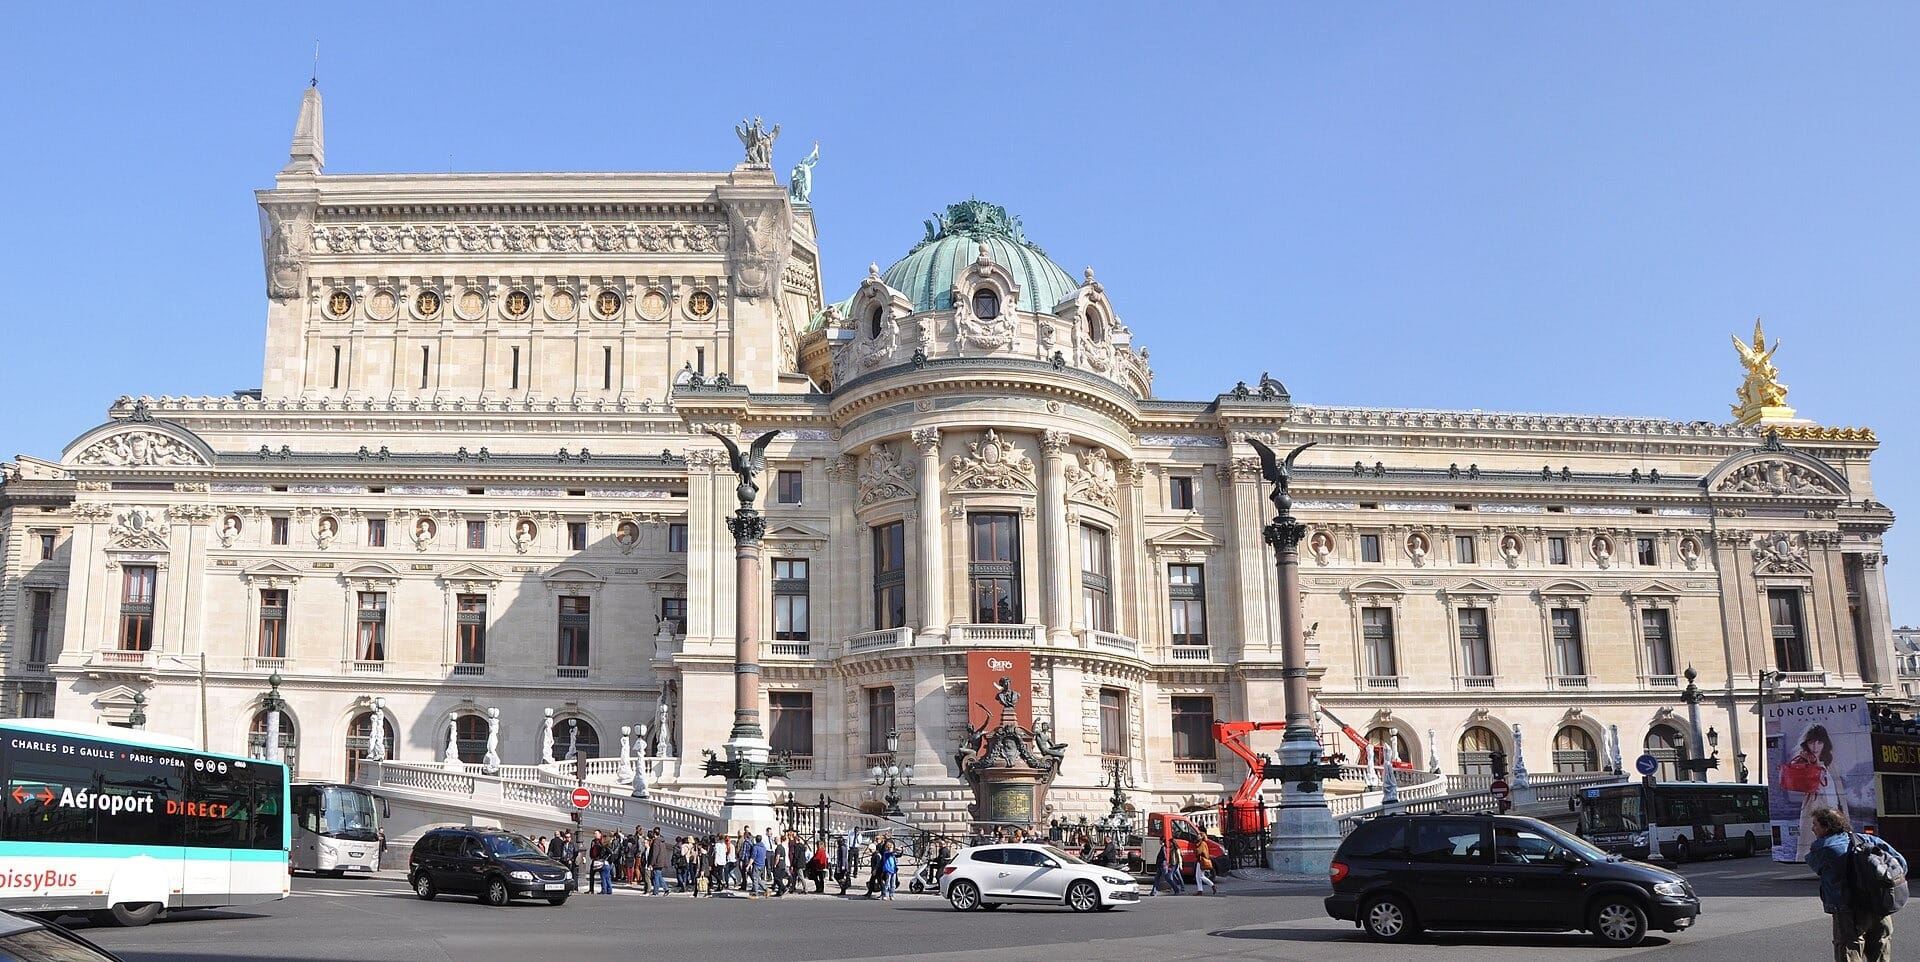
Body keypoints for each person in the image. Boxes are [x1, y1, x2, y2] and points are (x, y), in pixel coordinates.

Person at [1804, 806, 1905, 962]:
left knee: (1849, 953)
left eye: (1815, 824)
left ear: (1827, 827)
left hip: (1848, 912)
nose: (1812, 828)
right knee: (1880, 954)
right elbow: (1901, 865)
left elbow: (1813, 863)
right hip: (1879, 906)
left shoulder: (1823, 848)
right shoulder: (1868, 840)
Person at [1792, 725, 1847, 861]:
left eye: (1819, 742)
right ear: (1806, 744)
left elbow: (1838, 786)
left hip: (1834, 807)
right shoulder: (1803, 761)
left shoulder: (1830, 761)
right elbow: (1809, 785)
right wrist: (1813, 764)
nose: (1815, 747)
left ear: (1825, 744)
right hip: (1815, 808)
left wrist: (1843, 808)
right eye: (1811, 742)